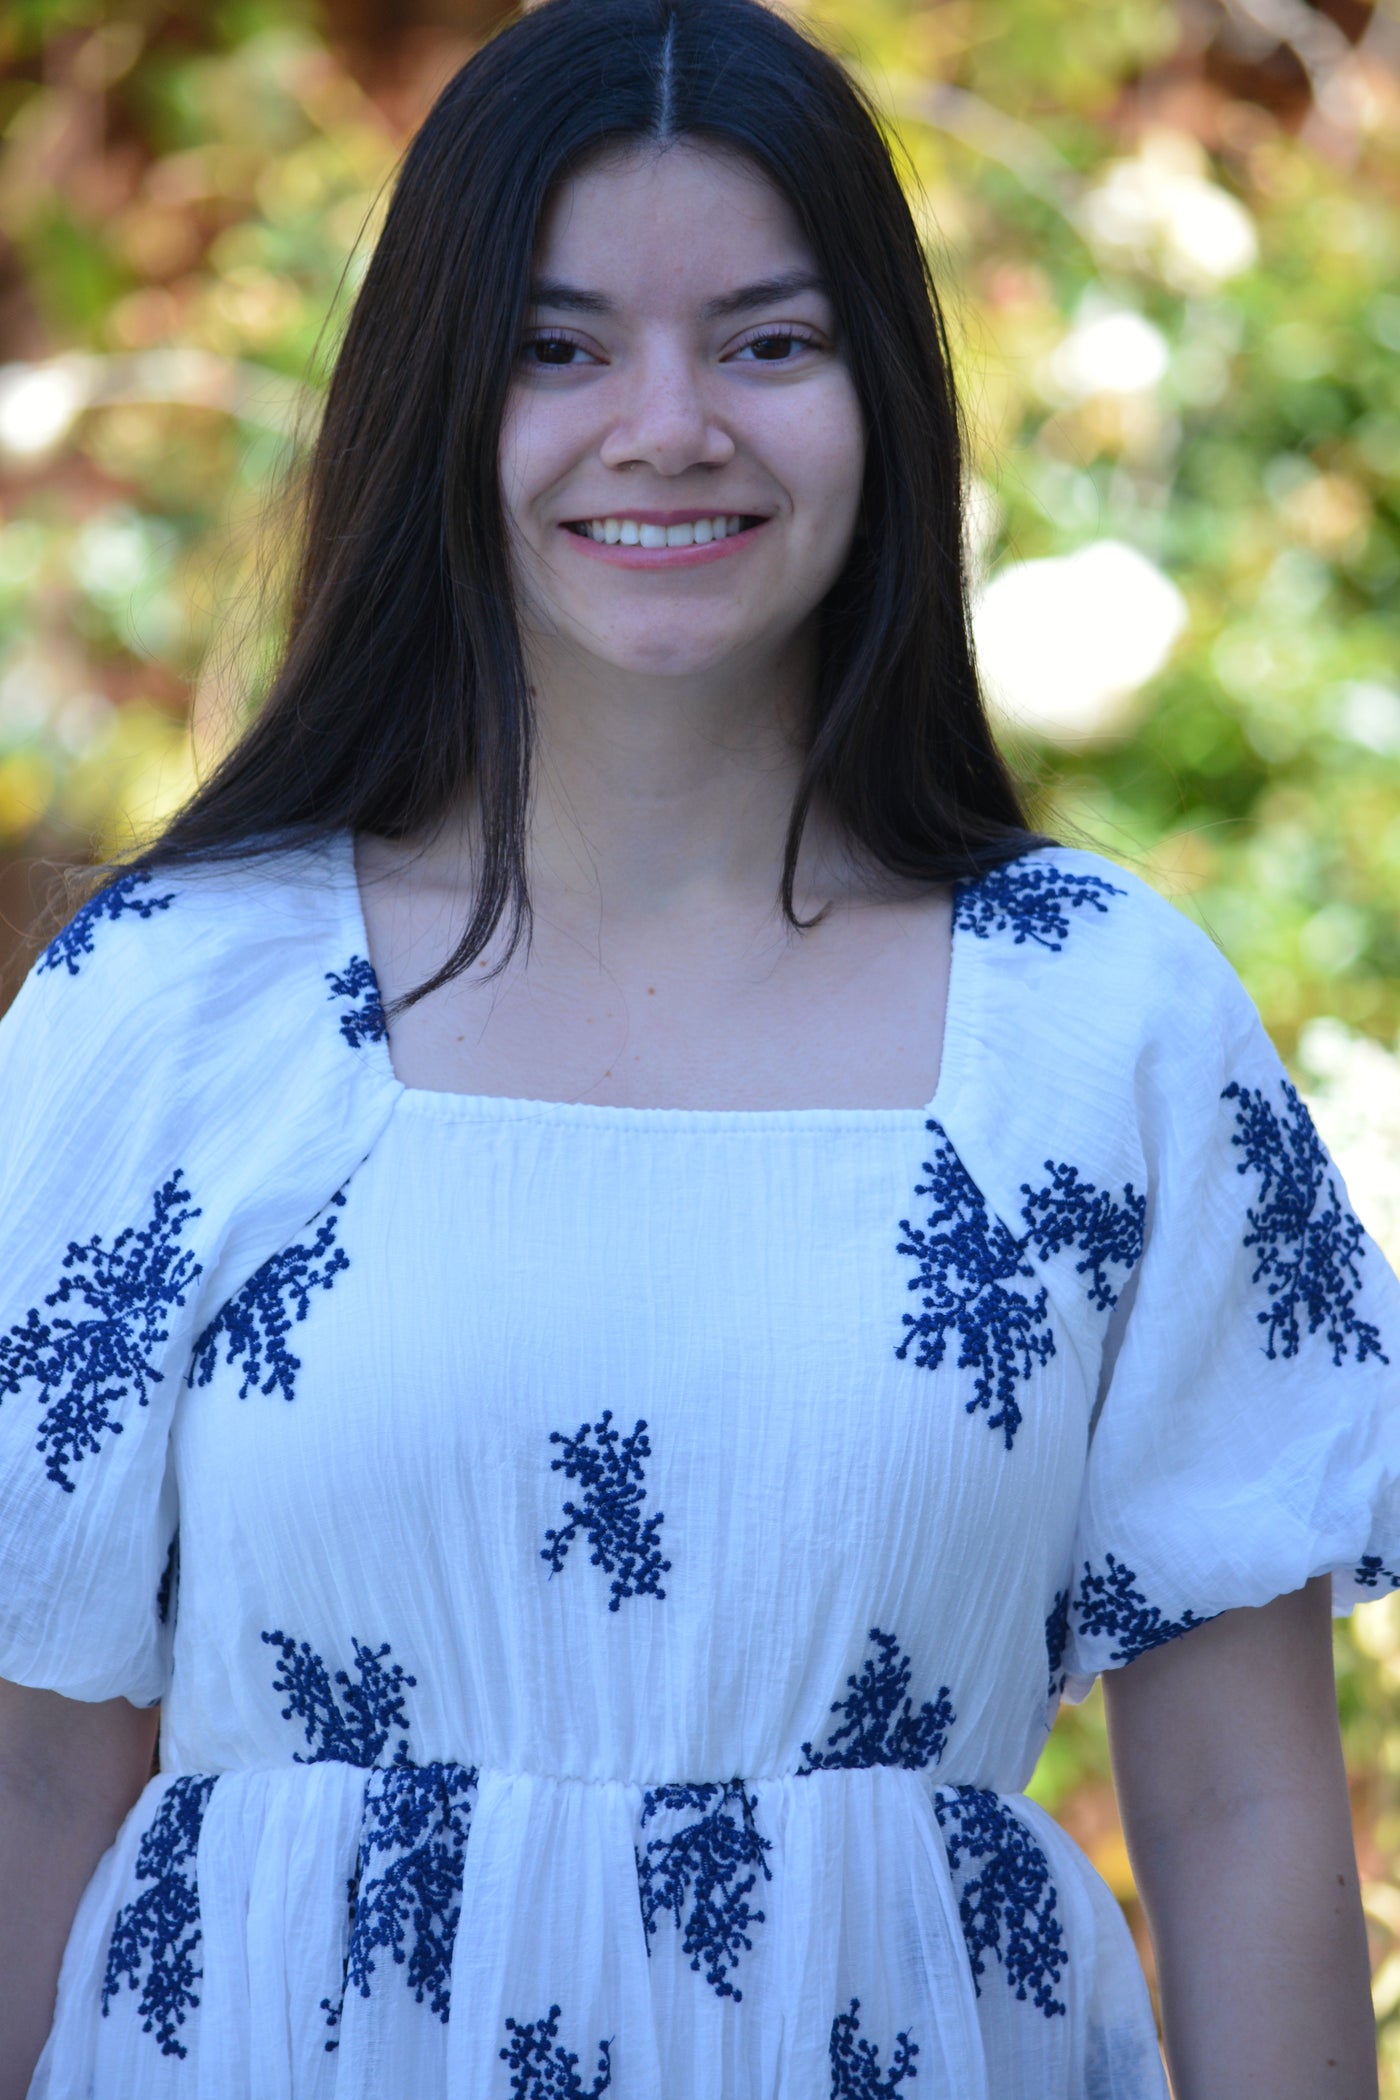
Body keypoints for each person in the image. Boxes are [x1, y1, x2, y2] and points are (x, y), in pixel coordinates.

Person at [0, 0, 1395, 2093]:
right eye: (558, 348)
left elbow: (1244, 1812)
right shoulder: (165, 1006)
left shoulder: (1101, 1021)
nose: (666, 425)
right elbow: (32, 1779)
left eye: (767, 340)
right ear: (432, 402)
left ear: (888, 399)